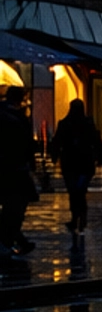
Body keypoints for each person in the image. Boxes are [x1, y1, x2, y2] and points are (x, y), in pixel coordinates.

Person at [50, 97, 102, 235]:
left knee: (74, 191)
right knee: (79, 191)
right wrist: (100, 156)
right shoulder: (87, 123)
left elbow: (57, 142)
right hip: (83, 162)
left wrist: (54, 156)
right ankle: (80, 216)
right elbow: (96, 141)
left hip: (71, 163)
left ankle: (76, 217)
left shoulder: (65, 124)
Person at [0, 86, 38, 260]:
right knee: (15, 208)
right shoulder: (18, 118)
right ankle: (7, 241)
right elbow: (27, 146)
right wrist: (31, 163)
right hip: (15, 169)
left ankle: (15, 240)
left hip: (6, 168)